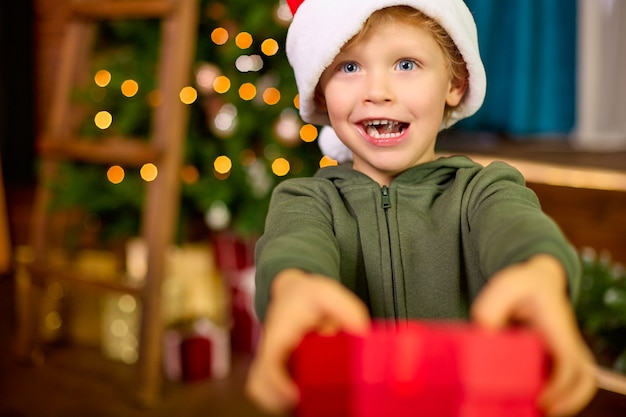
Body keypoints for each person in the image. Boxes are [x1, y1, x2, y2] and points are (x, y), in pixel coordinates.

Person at [246, 0, 597, 415]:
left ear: (455, 83)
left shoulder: (483, 190)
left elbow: (519, 228)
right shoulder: (306, 200)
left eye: (407, 64)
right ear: (320, 93)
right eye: (349, 67)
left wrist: (540, 272)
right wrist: (295, 287)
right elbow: (294, 247)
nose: (378, 92)